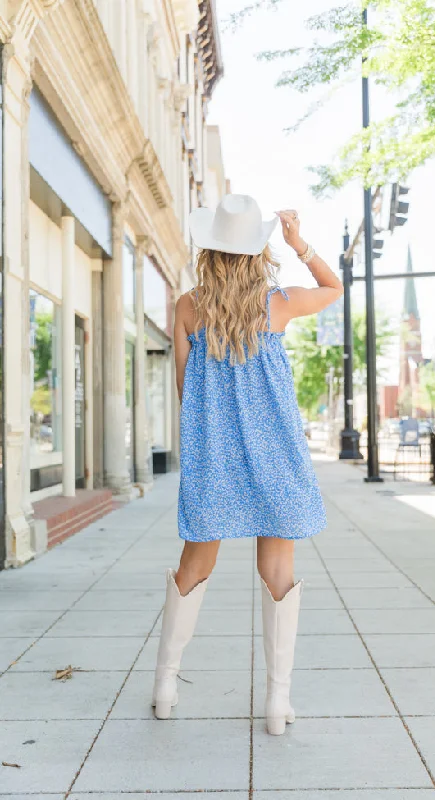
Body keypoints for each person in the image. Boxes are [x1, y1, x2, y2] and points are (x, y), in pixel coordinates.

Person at [152, 194, 343, 734]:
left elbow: (185, 386)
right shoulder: (277, 303)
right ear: (256, 250)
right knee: (278, 570)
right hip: (275, 451)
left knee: (195, 563)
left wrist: (216, 428)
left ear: (210, 249)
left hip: (215, 453)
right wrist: (300, 243)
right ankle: (278, 703)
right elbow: (335, 288)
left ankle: (167, 684)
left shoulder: (188, 307)